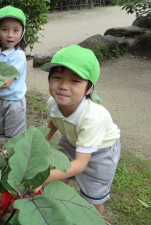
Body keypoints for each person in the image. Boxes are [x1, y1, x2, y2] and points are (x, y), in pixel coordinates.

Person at [40, 45, 121, 215]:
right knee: (56, 179)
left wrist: (42, 179)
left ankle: (94, 218)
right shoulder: (52, 102)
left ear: (89, 88)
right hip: (72, 140)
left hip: (101, 151)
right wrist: (44, 140)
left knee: (92, 198)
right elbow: (54, 120)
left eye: (75, 81)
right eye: (57, 77)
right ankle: (60, 210)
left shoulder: (93, 117)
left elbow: (80, 165)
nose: (63, 86)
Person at [0, 5, 27, 144]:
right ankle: (4, 156)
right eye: (4, 29)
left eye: (15, 30)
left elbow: (6, 83)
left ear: (22, 32)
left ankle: (13, 161)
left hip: (14, 103)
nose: (10, 35)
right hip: (0, 100)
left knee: (14, 138)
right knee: (2, 133)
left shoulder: (18, 55)